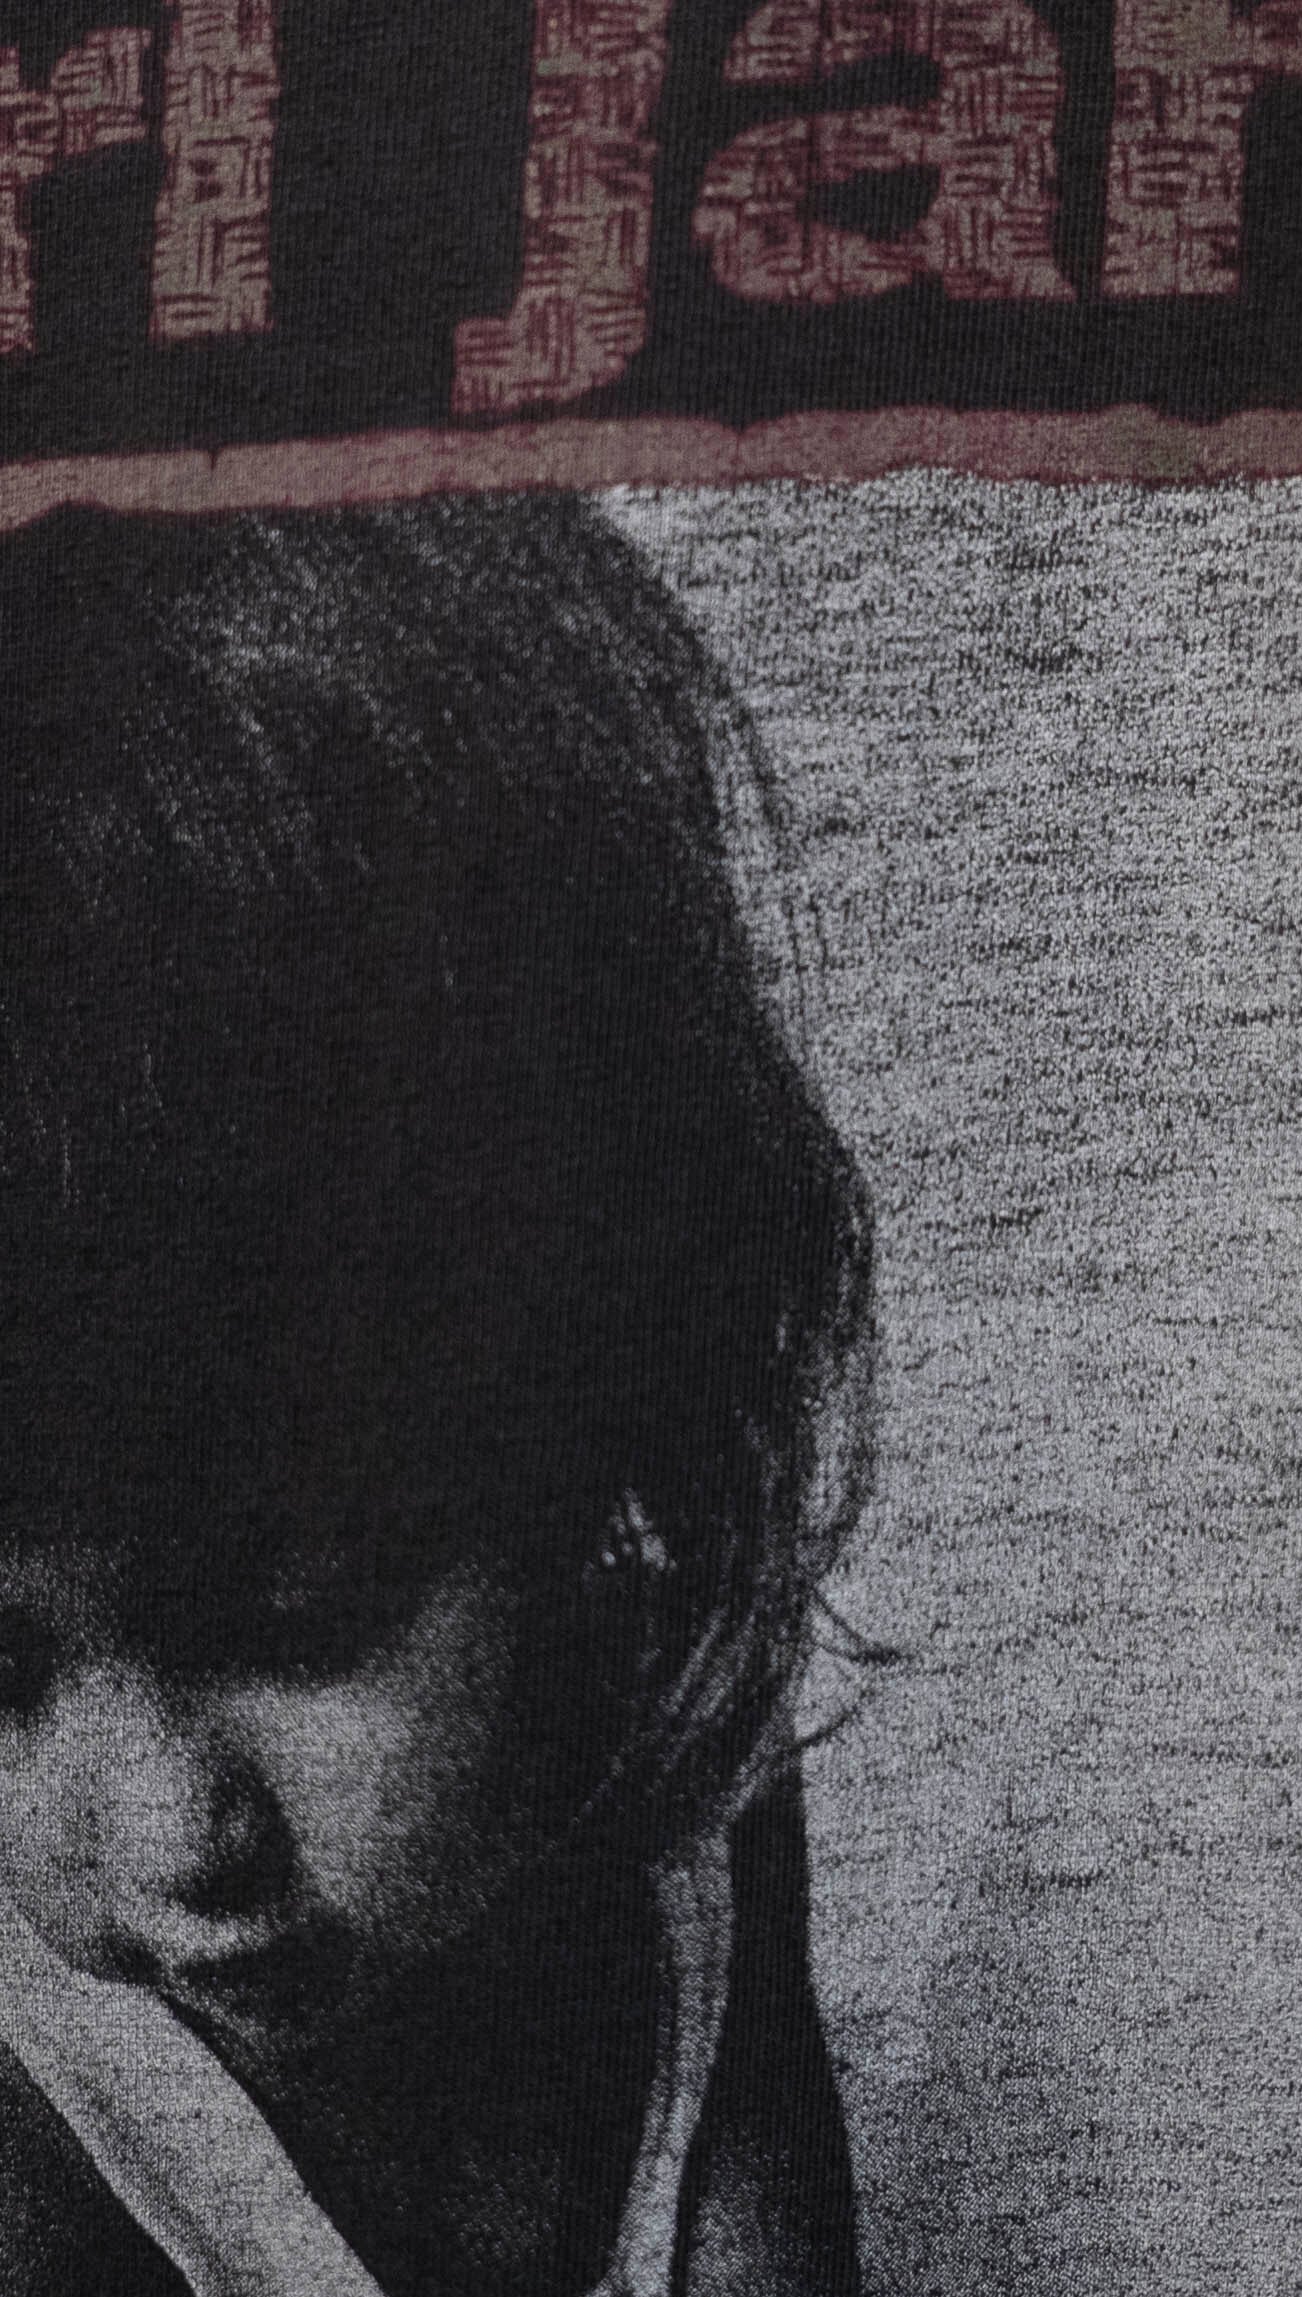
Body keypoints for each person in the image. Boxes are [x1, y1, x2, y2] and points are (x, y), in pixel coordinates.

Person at [0, 493, 876, 2297]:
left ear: (595, 1409)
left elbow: (771, 2217)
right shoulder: (42, 2139)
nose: (170, 1837)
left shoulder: (680, 1761)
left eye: (296, 1619)